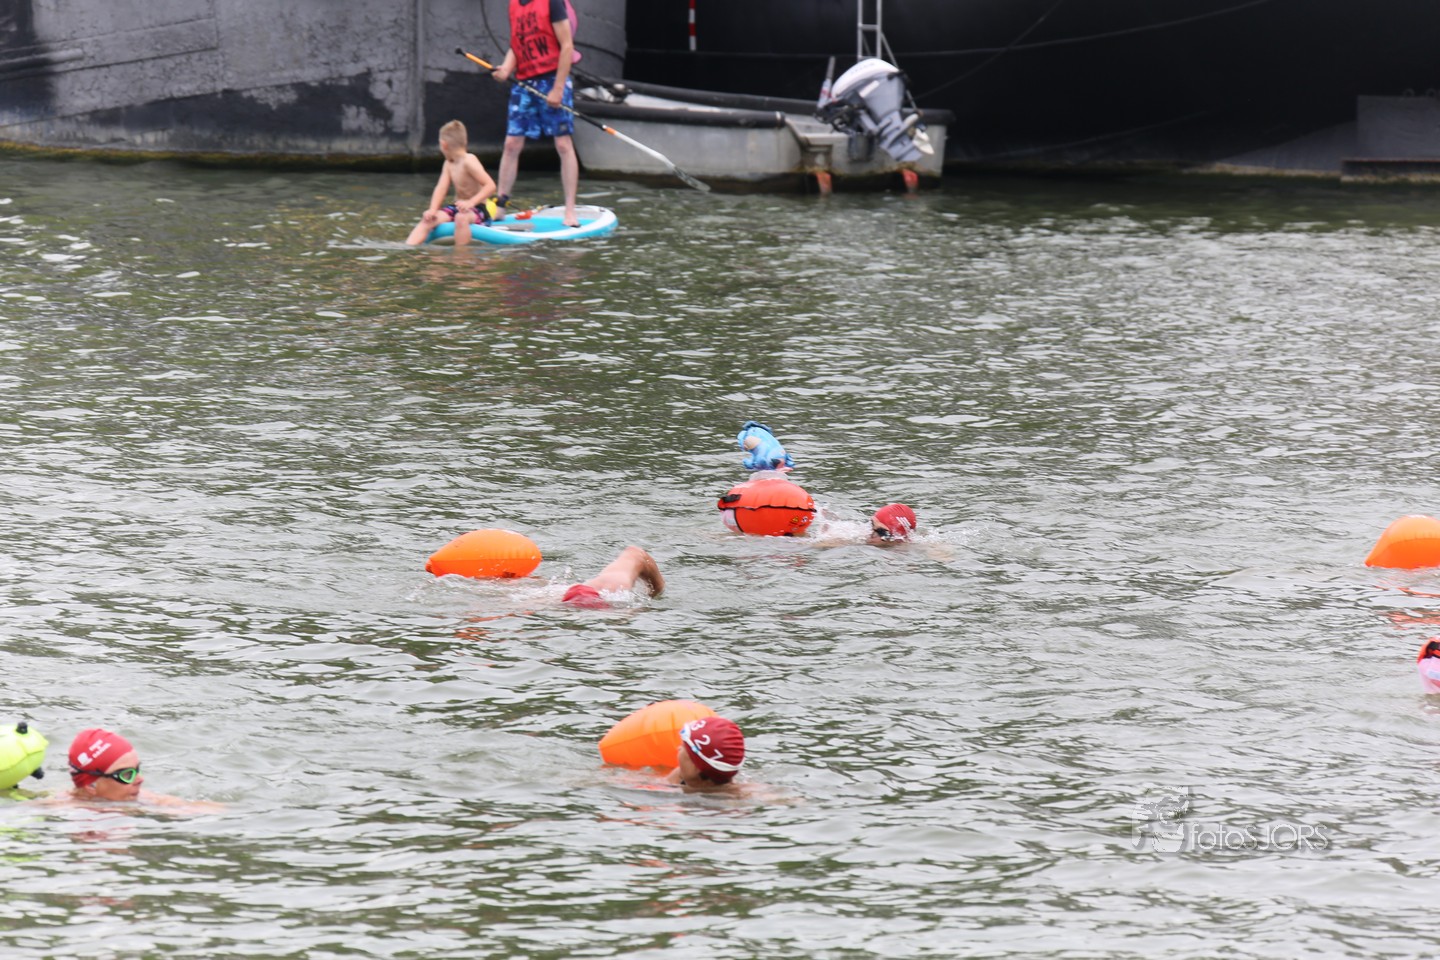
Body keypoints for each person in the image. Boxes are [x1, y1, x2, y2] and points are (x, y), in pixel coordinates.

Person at [491, 0, 579, 227]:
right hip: (524, 83)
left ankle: (570, 211)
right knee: (511, 144)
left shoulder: (552, 3)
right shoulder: (514, 5)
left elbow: (567, 46)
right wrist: (506, 68)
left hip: (553, 78)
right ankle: (500, 206)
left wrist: (558, 88)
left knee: (563, 144)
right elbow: (516, 44)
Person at [61, 728, 218, 810]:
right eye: (127, 774)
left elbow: (189, 808)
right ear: (91, 786)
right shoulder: (66, 810)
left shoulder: (146, 800)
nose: (140, 780)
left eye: (137, 770)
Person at [405, 119, 498, 247]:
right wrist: (432, 209)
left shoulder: (469, 160)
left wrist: (471, 202)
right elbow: (441, 188)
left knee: (461, 218)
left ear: (444, 145)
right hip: (457, 208)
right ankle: (408, 248)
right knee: (428, 219)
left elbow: (491, 185)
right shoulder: (449, 163)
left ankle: (461, 254)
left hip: (477, 209)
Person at [563, 546, 664, 608]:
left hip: (570, 601)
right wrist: (655, 593)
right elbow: (636, 552)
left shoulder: (557, 595)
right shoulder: (614, 582)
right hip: (612, 602)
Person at [665, 716, 746, 793]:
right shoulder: (685, 775)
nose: (678, 748)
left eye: (683, 747)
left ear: (695, 768)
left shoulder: (731, 801)